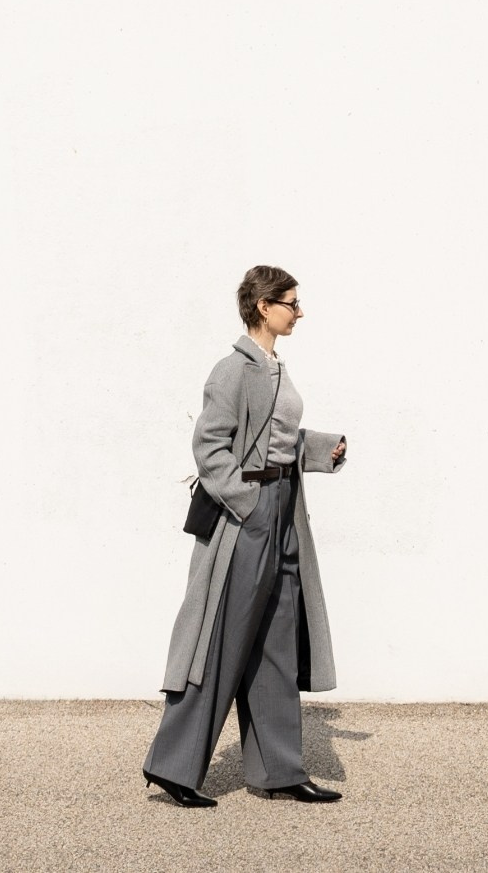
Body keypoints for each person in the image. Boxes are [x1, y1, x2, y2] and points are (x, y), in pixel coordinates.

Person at [142, 265, 350, 808]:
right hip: (248, 519)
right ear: (264, 306)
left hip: (285, 512)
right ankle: (172, 767)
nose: (299, 312)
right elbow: (209, 447)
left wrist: (319, 449)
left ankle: (279, 770)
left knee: (276, 642)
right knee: (221, 640)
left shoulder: (275, 366)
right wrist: (248, 504)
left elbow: (278, 438)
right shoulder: (231, 370)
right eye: (291, 303)